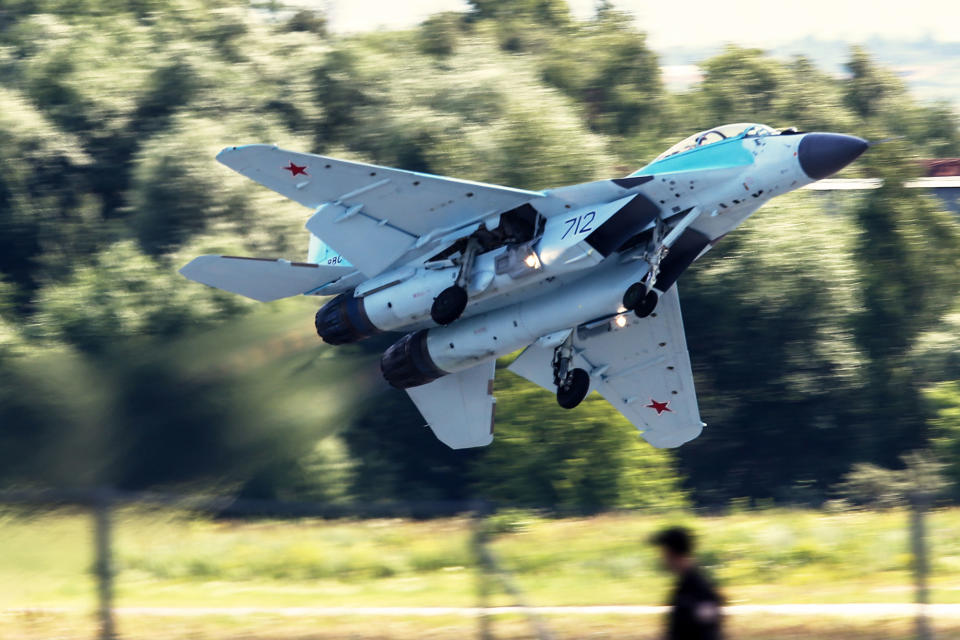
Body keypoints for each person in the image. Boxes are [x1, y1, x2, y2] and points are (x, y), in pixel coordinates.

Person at [650, 526, 723, 640]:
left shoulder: (700, 589)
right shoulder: (684, 586)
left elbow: (707, 632)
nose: (661, 558)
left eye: (662, 552)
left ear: (671, 552)